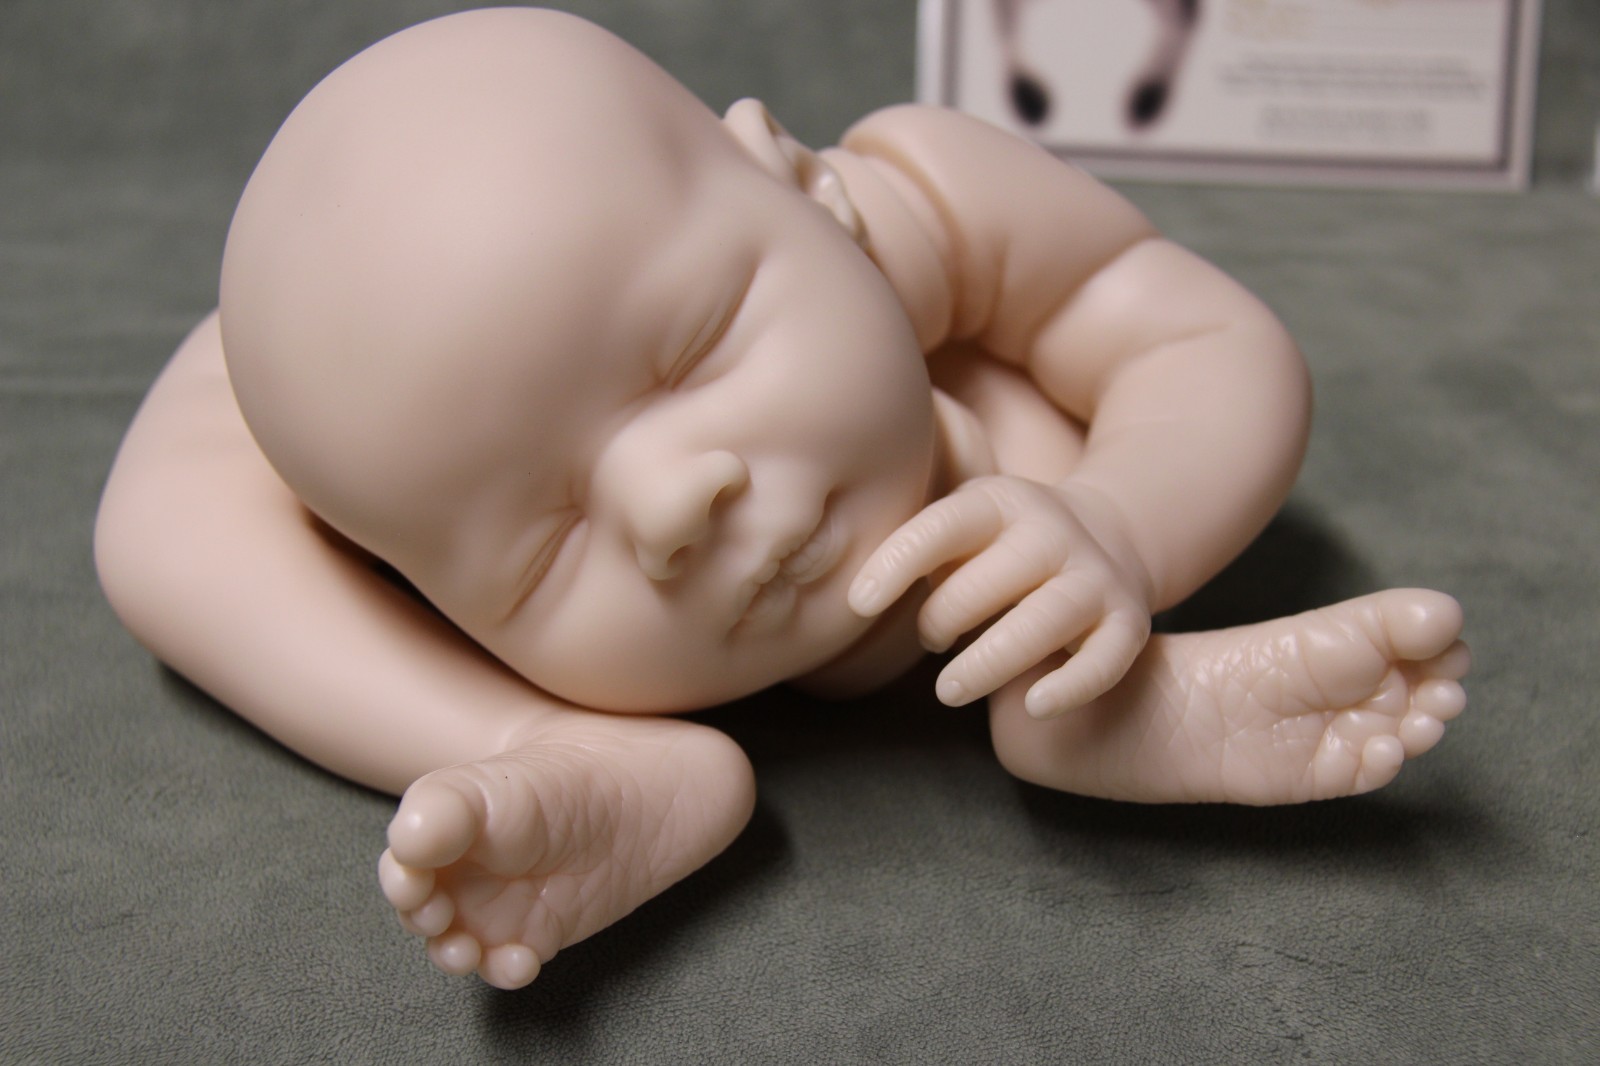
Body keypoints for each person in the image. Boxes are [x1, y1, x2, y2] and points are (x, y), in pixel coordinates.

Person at [94, 8, 1468, 990]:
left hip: (980, 542)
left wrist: (1120, 522)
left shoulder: (910, 197)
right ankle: (584, 753)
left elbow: (1199, 338)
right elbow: (154, 538)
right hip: (611, 685)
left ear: (801, 185)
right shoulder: (354, 401)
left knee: (1007, 422)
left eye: (694, 353)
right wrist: (508, 723)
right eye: (544, 547)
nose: (672, 508)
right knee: (184, 521)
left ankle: (1096, 685)